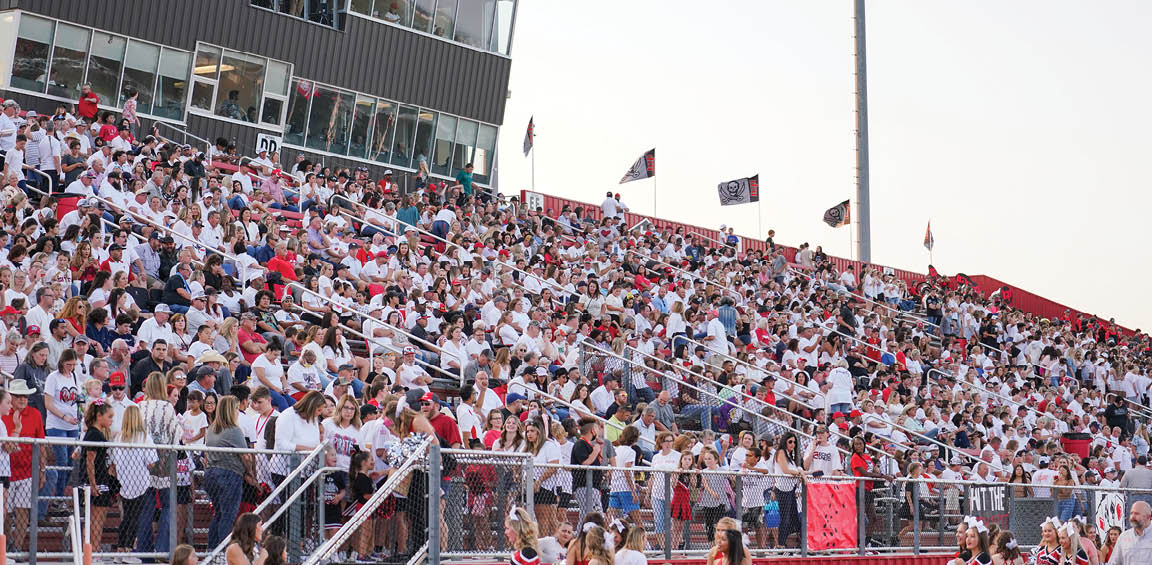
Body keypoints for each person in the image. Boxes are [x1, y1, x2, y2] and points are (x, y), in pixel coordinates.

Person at [205, 395, 255, 548]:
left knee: (218, 514)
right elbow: (245, 455)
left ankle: (212, 550)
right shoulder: (234, 430)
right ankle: (224, 551)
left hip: (211, 474)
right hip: (229, 474)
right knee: (227, 515)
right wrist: (250, 472)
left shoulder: (212, 429)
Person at [81, 400, 116, 552]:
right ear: (99, 416)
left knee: (96, 520)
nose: (111, 420)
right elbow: (90, 461)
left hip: (100, 480)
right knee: (95, 520)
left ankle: (92, 551)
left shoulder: (95, 433)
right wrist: (93, 484)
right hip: (96, 482)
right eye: (109, 416)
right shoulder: (94, 434)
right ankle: (92, 551)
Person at [1108, 501, 1151, 565]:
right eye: (1131, 513)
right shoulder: (1124, 537)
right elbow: (1114, 562)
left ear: (1148, 517)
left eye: (1137, 514)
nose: (1132, 517)